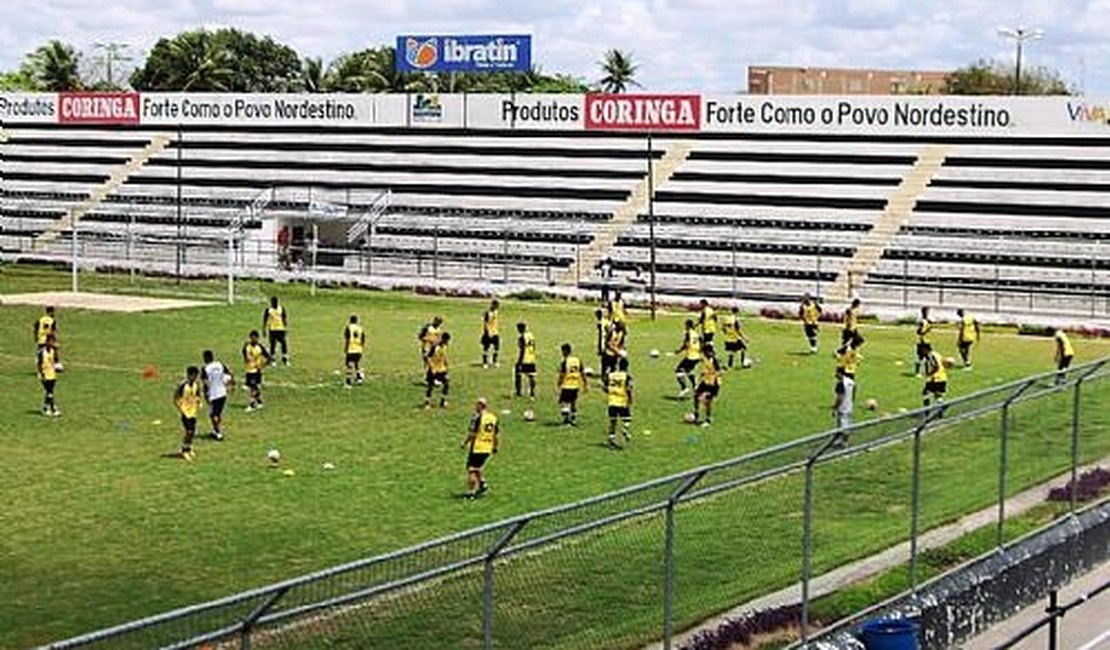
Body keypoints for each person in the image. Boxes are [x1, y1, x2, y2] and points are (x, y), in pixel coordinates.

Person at [461, 397, 499, 499]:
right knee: (478, 466)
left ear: (480, 405)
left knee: (471, 469)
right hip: (488, 447)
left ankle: (471, 492)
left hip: (478, 447)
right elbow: (495, 435)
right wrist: (495, 447)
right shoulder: (493, 418)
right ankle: (482, 483)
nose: (475, 407)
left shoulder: (477, 417)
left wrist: (465, 443)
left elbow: (473, 434)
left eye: (476, 405)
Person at [173, 366, 203, 461]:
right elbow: (175, 398)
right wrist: (180, 409)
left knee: (193, 432)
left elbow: (197, 395)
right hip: (185, 412)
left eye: (196, 376)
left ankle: (189, 448)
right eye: (193, 375)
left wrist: (199, 402)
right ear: (188, 375)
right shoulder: (182, 385)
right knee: (189, 431)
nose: (194, 377)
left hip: (193, 411)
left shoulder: (196, 384)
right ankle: (184, 450)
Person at [202, 350, 232, 441]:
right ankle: (216, 430)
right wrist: (230, 384)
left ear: (205, 358)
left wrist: (205, 394)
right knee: (218, 414)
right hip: (223, 393)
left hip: (213, 394)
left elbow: (205, 383)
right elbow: (229, 374)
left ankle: (218, 432)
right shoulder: (220, 364)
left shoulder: (205, 369)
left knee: (212, 414)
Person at [606, 356, 633, 450]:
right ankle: (625, 429)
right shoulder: (627, 377)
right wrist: (630, 399)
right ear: (627, 367)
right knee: (627, 419)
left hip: (612, 401)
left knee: (612, 422)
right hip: (622, 401)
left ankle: (611, 440)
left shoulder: (611, 375)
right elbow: (629, 389)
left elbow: (606, 387)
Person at [692, 346, 722, 427]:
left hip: (713, 384)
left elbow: (720, 372)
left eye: (707, 352)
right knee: (696, 396)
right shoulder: (705, 359)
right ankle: (696, 414)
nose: (705, 354)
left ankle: (708, 420)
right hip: (705, 382)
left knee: (706, 402)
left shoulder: (715, 361)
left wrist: (713, 375)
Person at [557, 343, 585, 426]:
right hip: (575, 385)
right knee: (573, 402)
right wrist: (585, 383)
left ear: (565, 351)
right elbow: (582, 372)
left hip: (567, 385)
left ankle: (566, 421)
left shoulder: (564, 362)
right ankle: (573, 419)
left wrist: (559, 383)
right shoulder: (577, 360)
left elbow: (562, 374)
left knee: (565, 403)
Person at [242, 330, 271, 412]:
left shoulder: (260, 347)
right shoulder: (246, 346)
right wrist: (246, 360)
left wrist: (263, 365)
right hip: (248, 370)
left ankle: (252, 404)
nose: (254, 339)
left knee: (252, 387)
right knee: (255, 387)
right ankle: (259, 402)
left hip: (256, 371)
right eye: (252, 338)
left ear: (257, 338)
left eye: (255, 338)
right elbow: (245, 355)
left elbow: (269, 358)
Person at [674, 318, 702, 397]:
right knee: (689, 371)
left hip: (691, 356)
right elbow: (701, 343)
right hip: (696, 356)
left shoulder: (688, 333)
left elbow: (686, 344)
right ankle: (695, 386)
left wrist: (678, 351)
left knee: (678, 371)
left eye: (685, 325)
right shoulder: (696, 333)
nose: (685, 327)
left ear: (687, 325)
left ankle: (684, 388)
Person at [425, 332, 451, 409]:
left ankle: (443, 401)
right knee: (430, 386)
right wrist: (432, 367)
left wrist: (446, 364)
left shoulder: (444, 347)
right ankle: (427, 403)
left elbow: (443, 356)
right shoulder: (435, 346)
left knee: (446, 383)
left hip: (441, 369)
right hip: (434, 369)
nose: (447, 342)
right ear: (443, 339)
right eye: (447, 340)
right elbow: (428, 357)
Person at [37, 333, 61, 417]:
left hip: (52, 374)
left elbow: (55, 361)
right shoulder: (41, 352)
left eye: (53, 341)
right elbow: (39, 363)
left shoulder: (53, 351)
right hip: (45, 374)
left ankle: (45, 408)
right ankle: (54, 408)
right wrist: (41, 373)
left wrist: (57, 367)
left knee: (49, 392)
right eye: (50, 341)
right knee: (49, 392)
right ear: (46, 341)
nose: (52, 343)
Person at [262, 296, 290, 366]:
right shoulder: (268, 310)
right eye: (273, 303)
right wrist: (264, 329)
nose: (274, 304)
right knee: (273, 345)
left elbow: (284, 318)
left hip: (281, 329)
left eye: (275, 302)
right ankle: (273, 359)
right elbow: (265, 320)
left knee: (283, 343)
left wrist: (285, 327)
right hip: (272, 329)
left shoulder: (281, 309)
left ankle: (285, 358)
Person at [515, 322, 537, 400]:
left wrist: (519, 362)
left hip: (525, 359)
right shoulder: (531, 335)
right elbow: (534, 346)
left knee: (518, 374)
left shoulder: (521, 337)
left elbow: (522, 350)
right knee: (532, 376)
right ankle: (532, 393)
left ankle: (518, 393)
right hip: (532, 358)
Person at [344, 315, 366, 387]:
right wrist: (361, 348)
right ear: (357, 321)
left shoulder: (348, 328)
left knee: (348, 365)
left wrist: (346, 348)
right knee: (357, 364)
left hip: (351, 349)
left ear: (350, 320)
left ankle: (348, 381)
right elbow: (363, 339)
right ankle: (359, 379)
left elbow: (347, 339)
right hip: (359, 349)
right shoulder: (360, 328)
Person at [603, 321, 627, 385]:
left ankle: (612, 382)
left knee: (613, 369)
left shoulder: (621, 334)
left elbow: (621, 344)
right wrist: (617, 351)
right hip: (608, 353)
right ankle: (605, 381)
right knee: (606, 369)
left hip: (614, 354)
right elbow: (608, 343)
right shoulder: (612, 333)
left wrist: (621, 350)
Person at [914, 306, 933, 378]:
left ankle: (927, 372)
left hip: (927, 341)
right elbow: (918, 332)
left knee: (929, 358)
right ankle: (917, 372)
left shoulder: (928, 321)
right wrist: (926, 330)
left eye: (928, 312)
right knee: (920, 358)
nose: (927, 313)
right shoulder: (922, 322)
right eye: (925, 312)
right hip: (922, 342)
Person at [481, 300, 500, 369]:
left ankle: (495, 361)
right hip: (488, 333)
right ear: (492, 305)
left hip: (495, 332)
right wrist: (488, 332)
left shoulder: (496, 312)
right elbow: (485, 323)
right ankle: (485, 363)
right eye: (496, 306)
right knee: (486, 349)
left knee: (496, 348)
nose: (497, 307)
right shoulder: (487, 313)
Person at [595, 308, 612, 380]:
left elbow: (601, 335)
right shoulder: (607, 321)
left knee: (604, 360)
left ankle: (604, 375)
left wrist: (600, 346)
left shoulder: (601, 323)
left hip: (605, 342)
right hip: (609, 342)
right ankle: (607, 374)